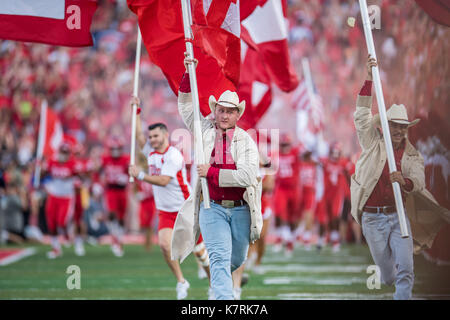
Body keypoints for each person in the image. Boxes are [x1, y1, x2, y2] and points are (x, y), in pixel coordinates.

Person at [351, 55, 450, 300]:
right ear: (385, 126)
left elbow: (418, 180)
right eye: (394, 125)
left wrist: (404, 182)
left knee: (406, 270)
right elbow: (362, 115)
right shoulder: (373, 143)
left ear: (407, 129)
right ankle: (390, 275)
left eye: (402, 127)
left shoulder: (412, 153)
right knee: (387, 276)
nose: (398, 130)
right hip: (372, 218)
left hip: (398, 216)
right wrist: (368, 78)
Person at [171, 54, 262, 300]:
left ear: (237, 115)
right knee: (220, 257)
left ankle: (222, 285)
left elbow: (245, 176)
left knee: (237, 258)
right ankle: (225, 300)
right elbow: (187, 108)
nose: (224, 115)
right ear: (215, 111)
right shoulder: (204, 132)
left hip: (242, 209)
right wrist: (188, 75)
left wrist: (210, 172)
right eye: (221, 110)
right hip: (212, 207)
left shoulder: (246, 141)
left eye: (230, 112)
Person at [128, 100, 211, 300]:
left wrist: (139, 175)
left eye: (156, 136)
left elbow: (164, 181)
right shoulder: (151, 151)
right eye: (151, 137)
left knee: (200, 251)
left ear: (165, 135)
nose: (152, 140)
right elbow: (139, 136)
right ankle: (181, 282)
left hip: (185, 208)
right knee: (165, 246)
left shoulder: (173, 155)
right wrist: (137, 110)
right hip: (165, 210)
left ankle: (213, 283)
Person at [41, 142, 79, 258]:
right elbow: (43, 175)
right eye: (62, 152)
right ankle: (56, 248)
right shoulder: (52, 162)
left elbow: (81, 177)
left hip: (66, 197)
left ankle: (67, 233)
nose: (64, 155)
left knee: (61, 222)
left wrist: (74, 179)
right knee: (51, 223)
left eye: (66, 153)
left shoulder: (73, 164)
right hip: (53, 195)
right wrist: (41, 169)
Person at [272, 133, 301, 256]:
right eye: (282, 145)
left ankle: (290, 240)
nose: (284, 147)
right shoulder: (276, 154)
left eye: (286, 145)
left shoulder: (296, 153)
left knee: (292, 218)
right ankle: (280, 237)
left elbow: (307, 153)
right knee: (279, 212)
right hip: (281, 188)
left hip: (294, 189)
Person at [100, 136, 130, 257]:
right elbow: (98, 172)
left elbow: (132, 173)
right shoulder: (105, 159)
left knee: (122, 218)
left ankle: (119, 239)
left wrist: (127, 178)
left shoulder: (126, 159)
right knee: (112, 214)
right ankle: (115, 240)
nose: (115, 151)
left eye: (118, 148)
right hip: (111, 189)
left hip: (122, 190)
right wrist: (98, 184)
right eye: (113, 149)